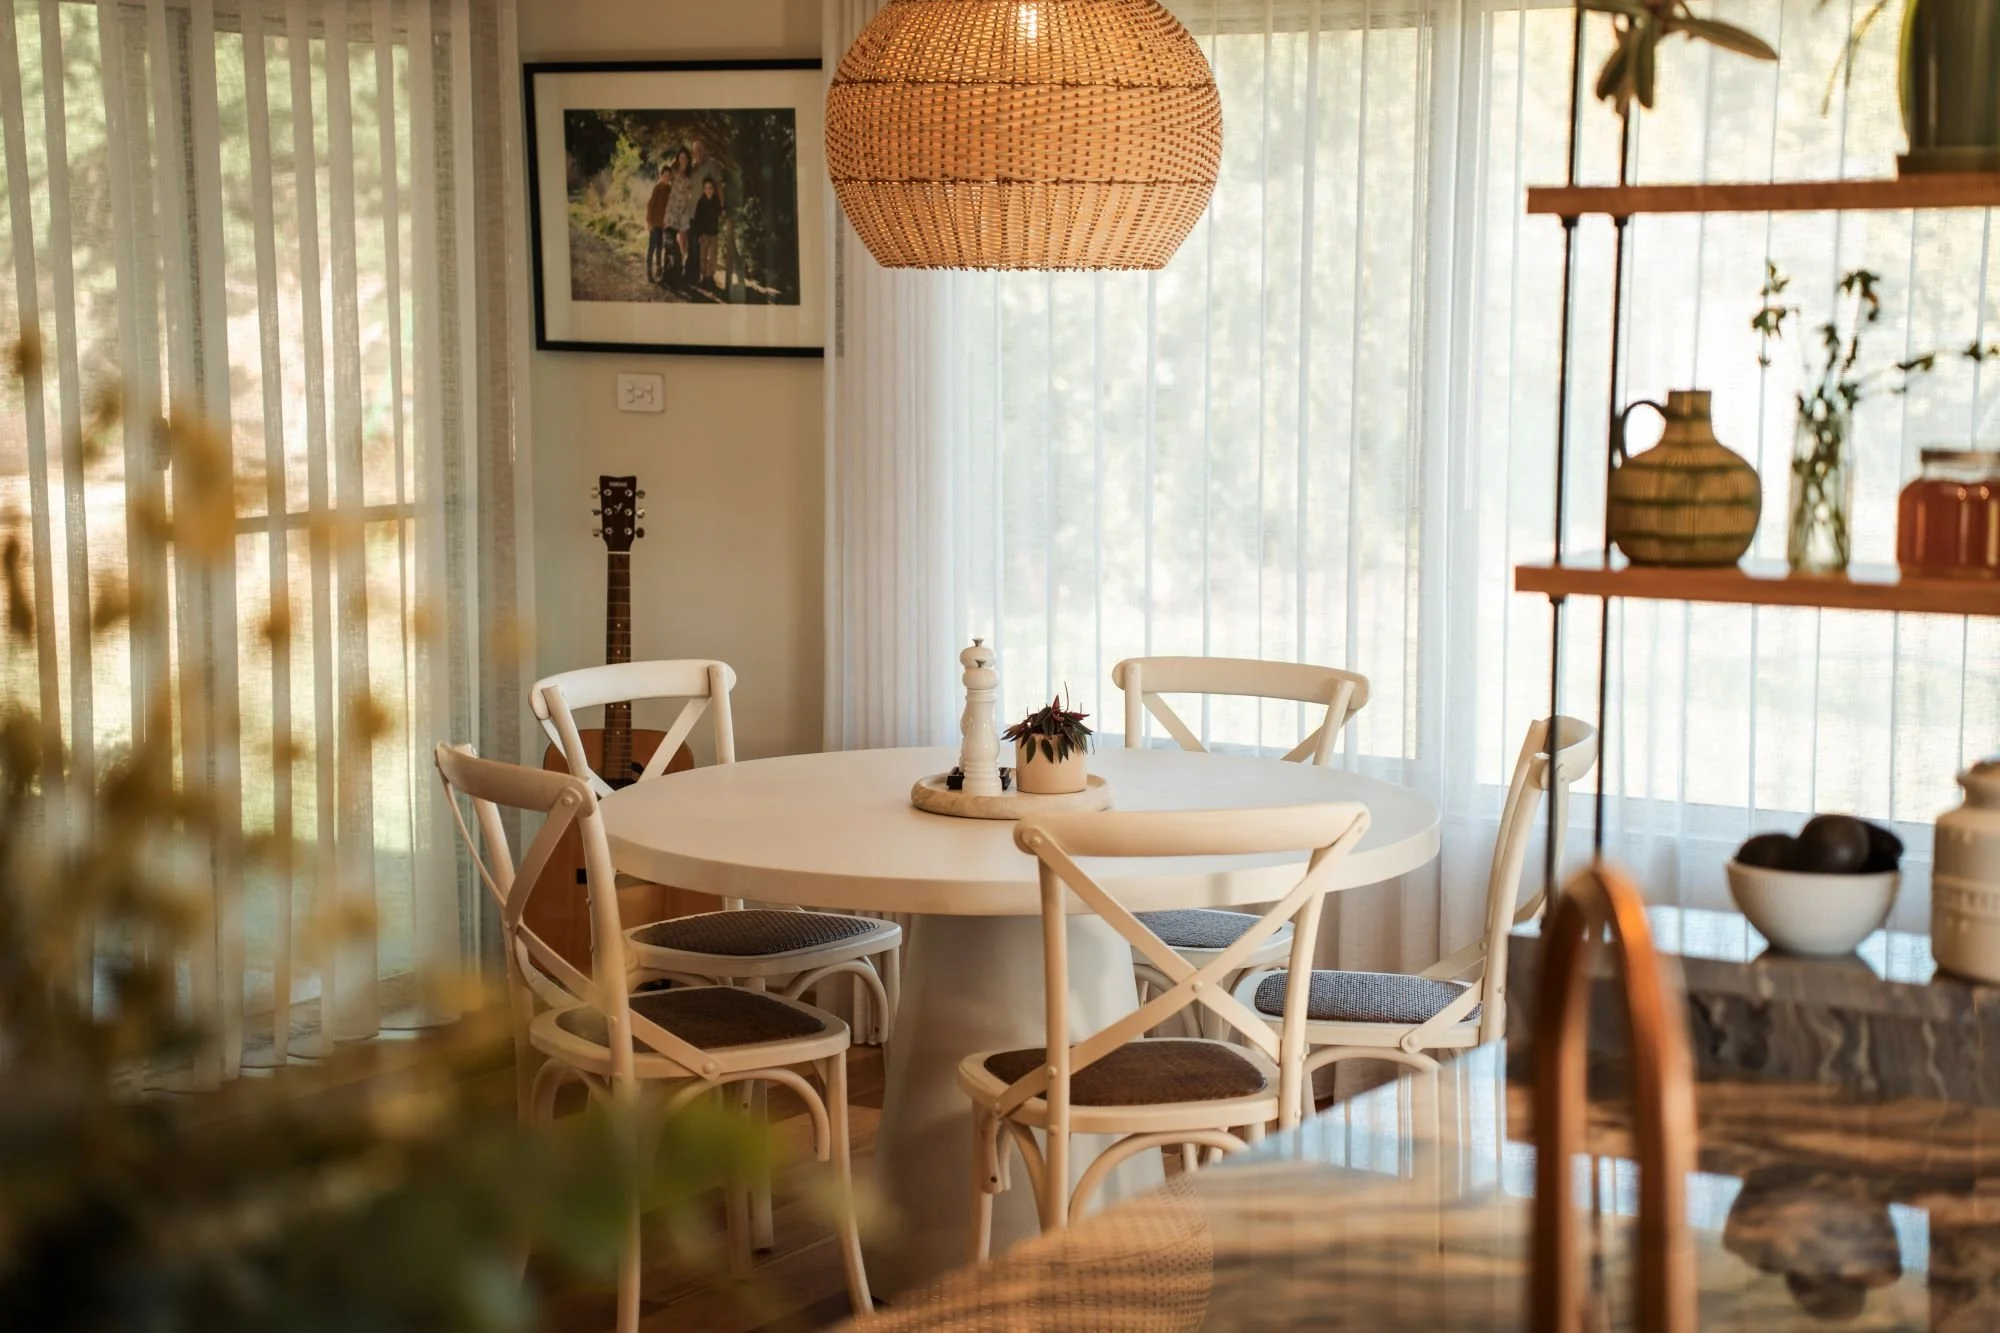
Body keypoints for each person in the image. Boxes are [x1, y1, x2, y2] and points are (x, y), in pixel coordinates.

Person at [678, 138, 726, 285]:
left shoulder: (711, 164)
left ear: (704, 150)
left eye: (700, 149)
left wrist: (721, 207)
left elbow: (719, 186)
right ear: (693, 152)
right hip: (693, 212)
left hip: (707, 213)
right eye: (695, 150)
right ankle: (692, 275)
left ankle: (706, 277)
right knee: (694, 244)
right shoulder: (693, 167)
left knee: (706, 246)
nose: (698, 152)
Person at [660, 147, 696, 287]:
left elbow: (691, 195)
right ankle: (666, 274)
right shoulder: (673, 174)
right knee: (670, 243)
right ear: (677, 159)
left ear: (688, 160)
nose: (683, 160)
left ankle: (676, 275)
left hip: (683, 212)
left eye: (686, 158)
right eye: (681, 158)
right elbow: (664, 180)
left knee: (682, 244)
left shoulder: (689, 178)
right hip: (672, 210)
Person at [690, 177, 723, 293]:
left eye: (710, 188)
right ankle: (704, 277)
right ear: (703, 189)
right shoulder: (701, 202)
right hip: (704, 234)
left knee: (713, 257)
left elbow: (720, 212)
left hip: (714, 233)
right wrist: (698, 234)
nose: (708, 190)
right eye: (706, 188)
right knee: (703, 257)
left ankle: (710, 278)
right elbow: (697, 219)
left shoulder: (716, 201)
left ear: (713, 189)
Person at [643, 163, 673, 285]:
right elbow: (650, 206)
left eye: (668, 176)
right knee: (652, 248)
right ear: (661, 176)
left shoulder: (669, 189)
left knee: (660, 248)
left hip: (663, 225)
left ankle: (659, 271)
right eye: (664, 175)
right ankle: (649, 272)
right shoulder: (657, 188)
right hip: (654, 224)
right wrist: (649, 222)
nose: (666, 178)